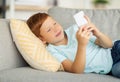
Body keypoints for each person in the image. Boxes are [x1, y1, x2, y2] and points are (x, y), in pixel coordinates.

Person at [27, 12, 120, 78]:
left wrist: (98, 34)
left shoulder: (75, 29)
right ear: (42, 39)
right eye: (48, 30)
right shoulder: (53, 51)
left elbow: (109, 45)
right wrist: (81, 45)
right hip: (112, 67)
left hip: (115, 49)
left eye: (55, 23)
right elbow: (76, 70)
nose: (55, 29)